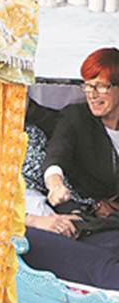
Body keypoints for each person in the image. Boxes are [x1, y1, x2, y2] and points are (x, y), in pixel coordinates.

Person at [22, 47, 119, 290]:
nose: (92, 94)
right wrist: (55, 184)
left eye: (101, 86)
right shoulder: (77, 117)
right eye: (87, 86)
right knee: (103, 264)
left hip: (101, 218)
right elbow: (58, 153)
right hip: (75, 217)